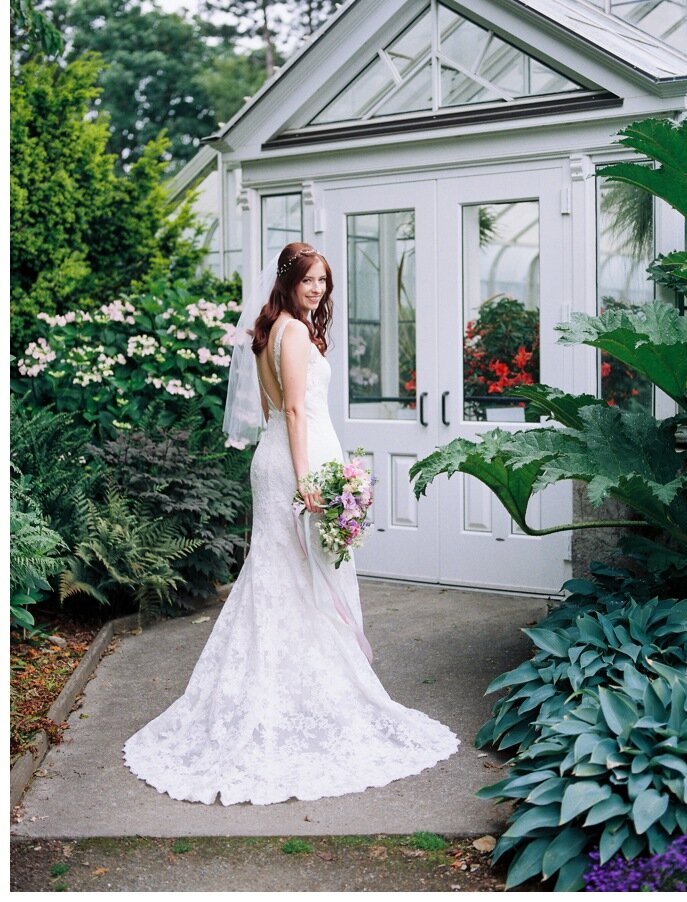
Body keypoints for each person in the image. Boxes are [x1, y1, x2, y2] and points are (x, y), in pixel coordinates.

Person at [124, 242, 457, 805]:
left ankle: (277, 690)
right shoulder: (296, 333)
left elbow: (272, 407)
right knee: (305, 577)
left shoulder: (268, 330)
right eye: (309, 280)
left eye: (324, 281)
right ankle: (306, 697)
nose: (318, 290)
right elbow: (298, 410)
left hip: (273, 457)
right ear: (288, 281)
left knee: (281, 575)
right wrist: (310, 482)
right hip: (297, 462)